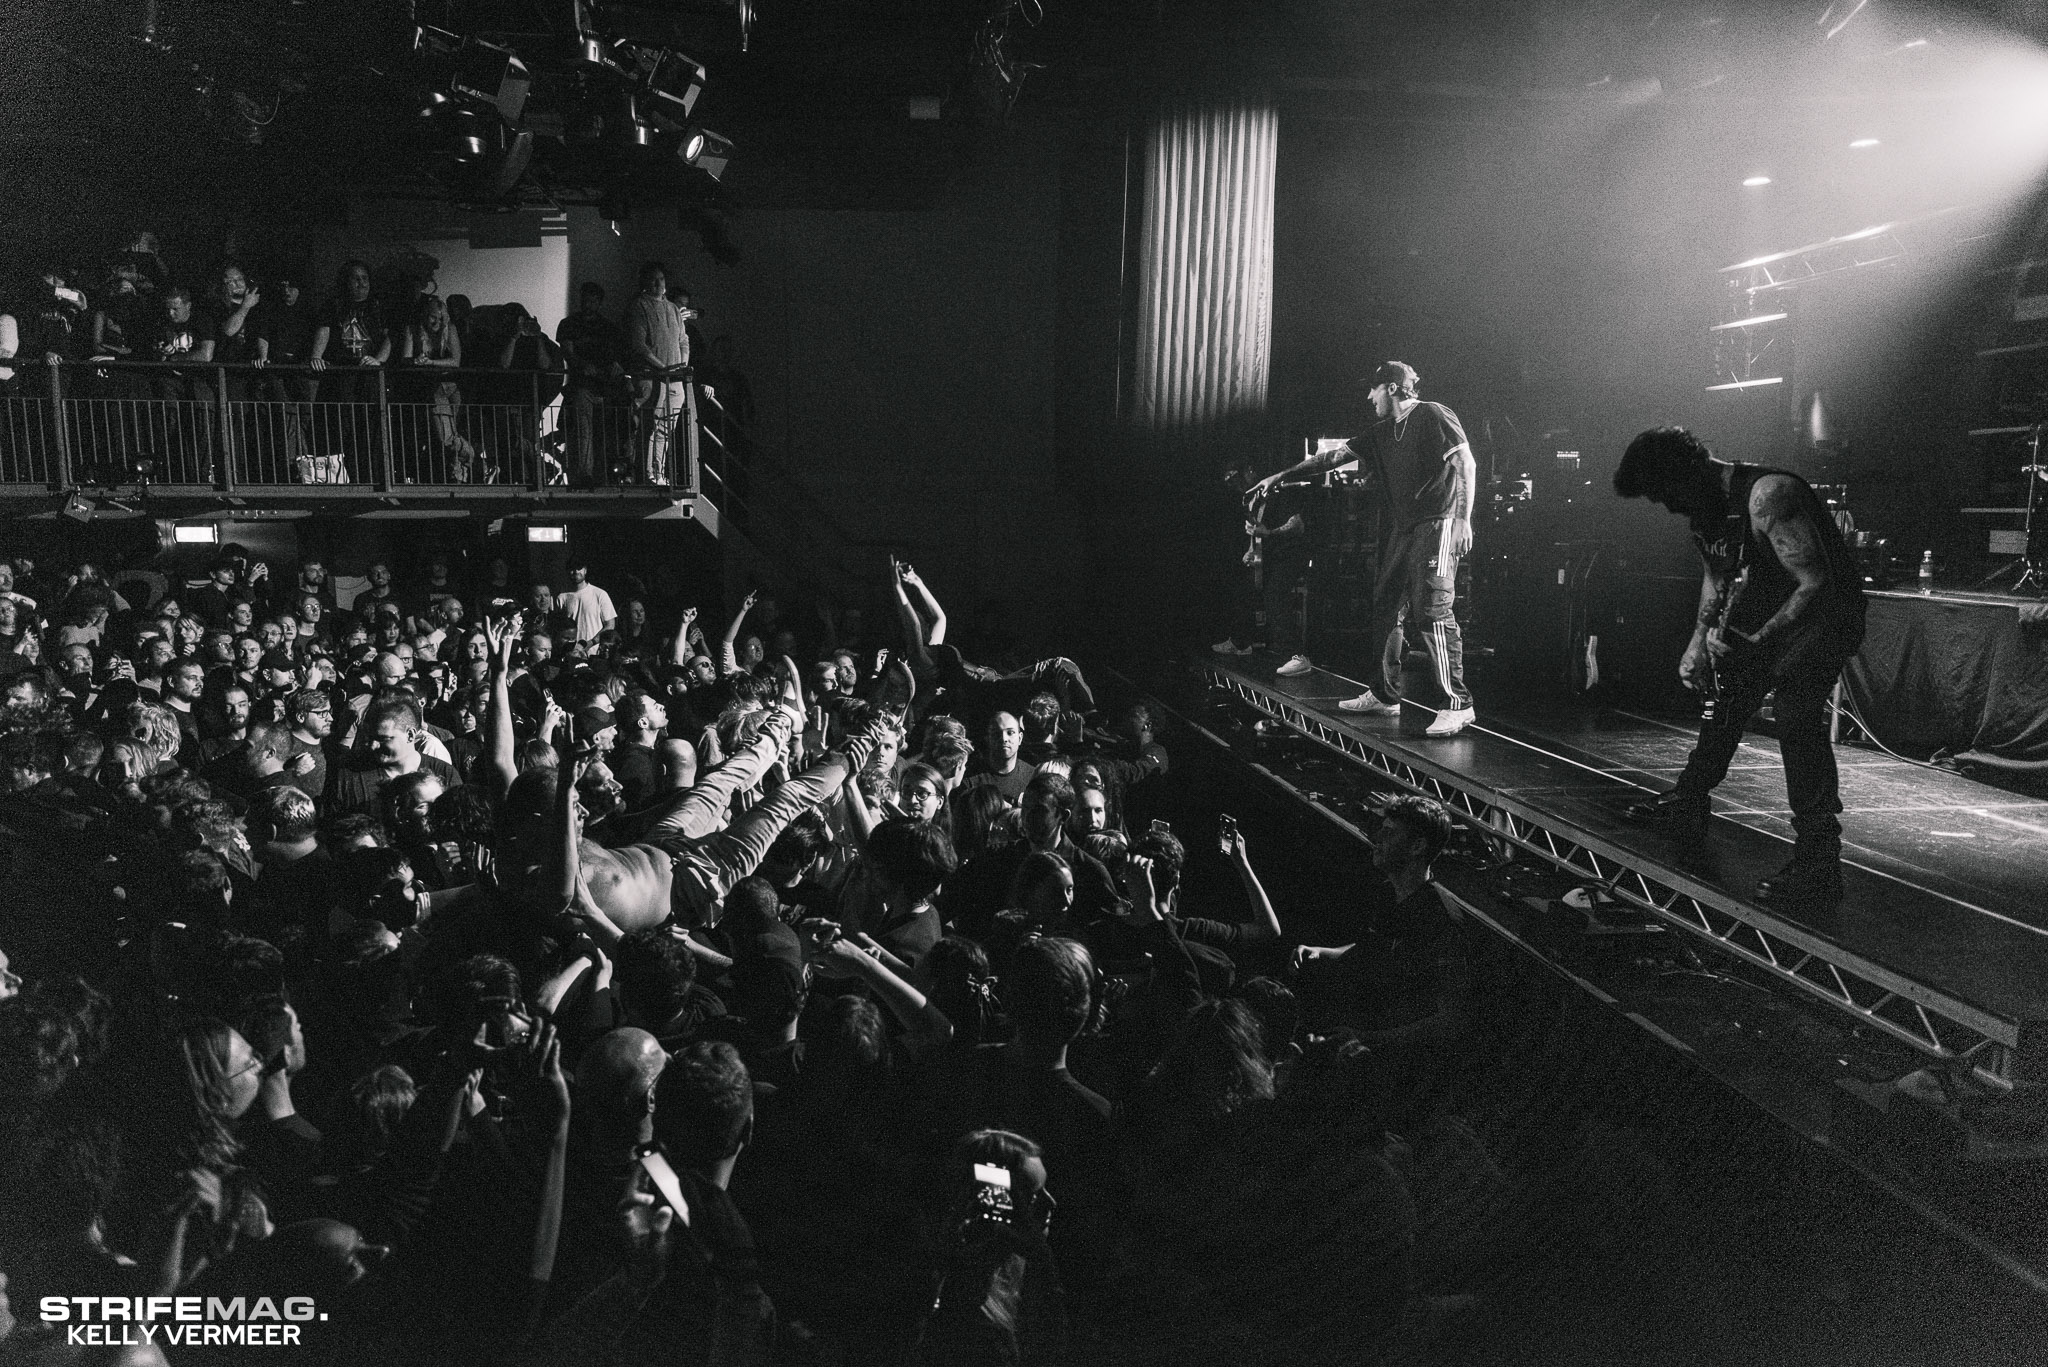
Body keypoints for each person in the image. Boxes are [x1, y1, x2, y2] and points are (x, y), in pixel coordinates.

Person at [1612, 426, 1867, 907]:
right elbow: (1716, 576)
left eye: (1666, 494)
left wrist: (1759, 640)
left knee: (1795, 715)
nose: (1668, 506)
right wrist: (1697, 644)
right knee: (1728, 700)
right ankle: (1687, 804)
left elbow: (1814, 581)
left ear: (1687, 473)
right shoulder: (1705, 511)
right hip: (1772, 607)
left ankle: (1819, 858)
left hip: (1825, 612)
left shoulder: (1769, 495)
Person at [1252, 361, 1478, 735]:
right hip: (1404, 529)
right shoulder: (1380, 432)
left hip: (1438, 522)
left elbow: (1465, 463)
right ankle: (1385, 695)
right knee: (1387, 605)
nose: (1368, 397)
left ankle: (1458, 703)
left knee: (1432, 610)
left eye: (1372, 390)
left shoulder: (1433, 414)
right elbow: (1330, 458)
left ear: (1391, 387)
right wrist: (1280, 476)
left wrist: (1464, 520)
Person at [626, 261, 690, 486]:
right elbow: (639, 345)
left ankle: (659, 473)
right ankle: (645, 475)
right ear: (644, 281)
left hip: (674, 380)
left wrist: (681, 365)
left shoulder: (673, 308)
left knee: (665, 429)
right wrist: (661, 368)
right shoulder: (639, 306)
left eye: (661, 279)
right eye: (653, 279)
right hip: (651, 379)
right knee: (648, 428)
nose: (658, 283)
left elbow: (684, 340)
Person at [558, 280, 626, 486]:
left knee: (603, 433)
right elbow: (567, 352)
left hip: (605, 386)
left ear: (599, 302)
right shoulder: (569, 324)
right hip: (582, 386)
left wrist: (615, 366)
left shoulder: (608, 327)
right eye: (586, 300)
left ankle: (603, 474)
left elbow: (617, 355)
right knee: (584, 432)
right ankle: (586, 475)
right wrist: (583, 366)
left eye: (593, 300)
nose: (589, 304)